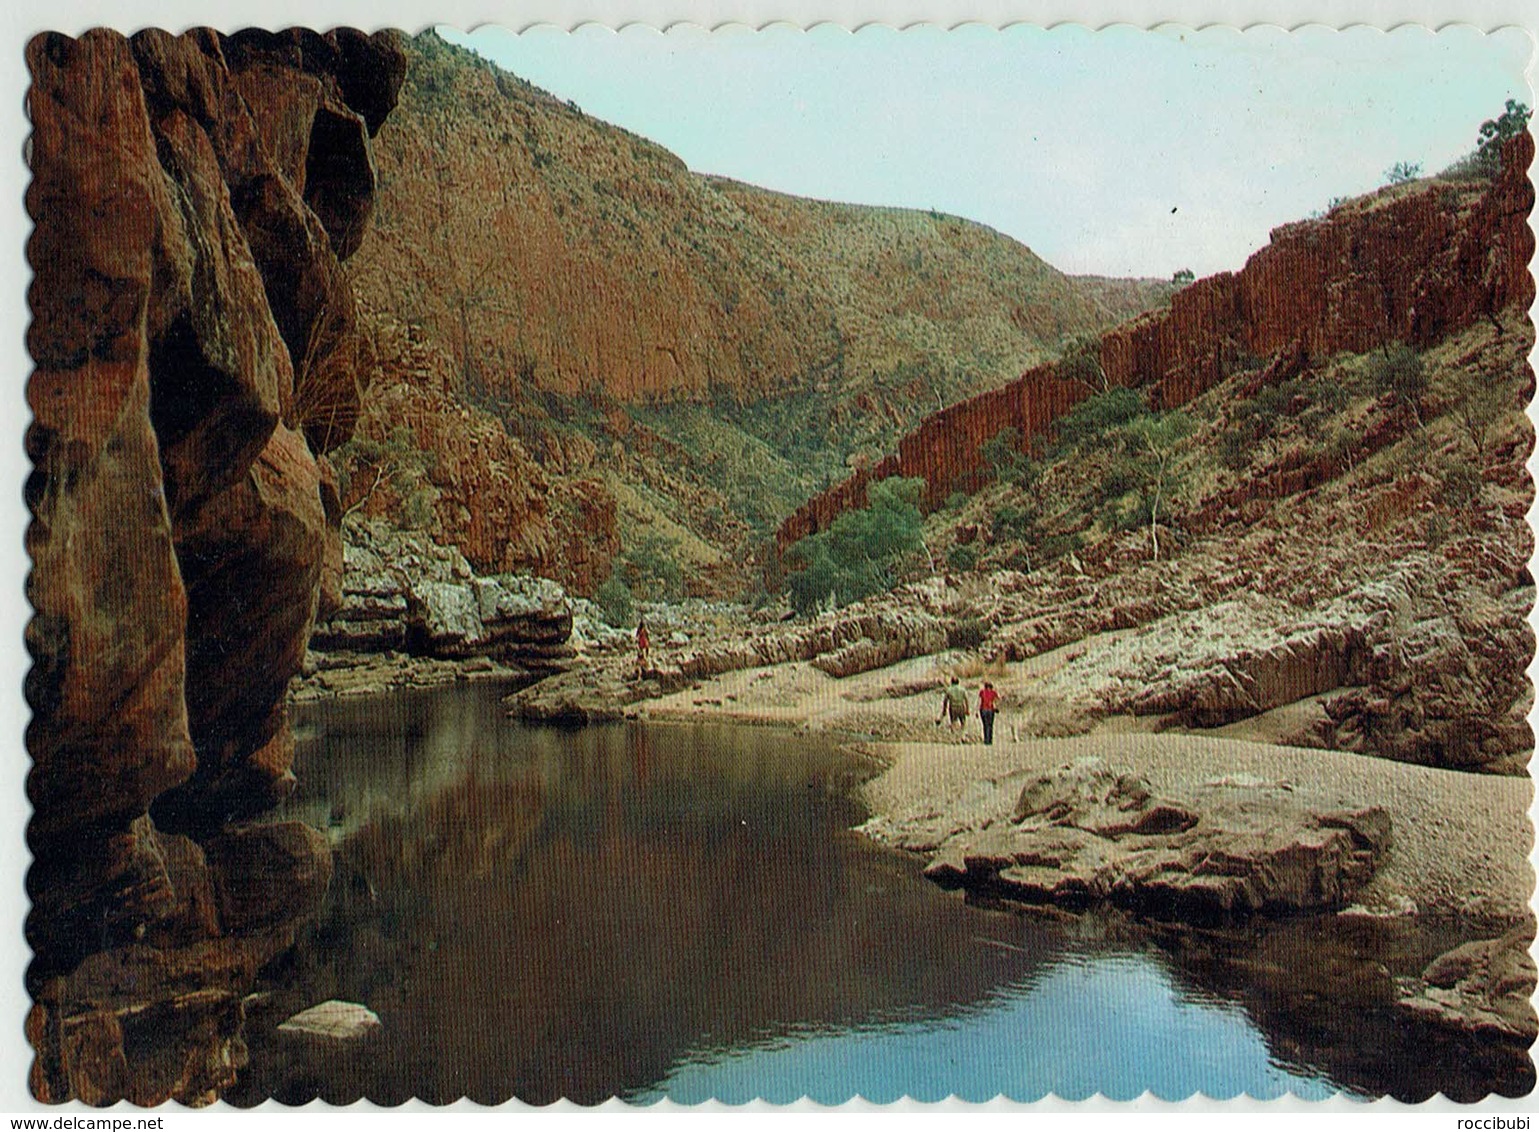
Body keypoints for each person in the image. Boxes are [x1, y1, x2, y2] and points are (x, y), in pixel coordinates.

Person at [978, 681, 1000, 746]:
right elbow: (997, 701)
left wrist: (976, 711)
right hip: (991, 710)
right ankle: (990, 740)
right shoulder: (994, 693)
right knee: (990, 725)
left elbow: (979, 701)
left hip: (983, 710)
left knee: (985, 725)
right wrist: (996, 708)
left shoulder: (982, 692)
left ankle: (986, 739)